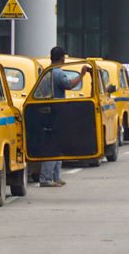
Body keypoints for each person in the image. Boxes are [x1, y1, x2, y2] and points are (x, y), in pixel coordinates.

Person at [36, 46, 89, 187]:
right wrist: (82, 74)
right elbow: (70, 85)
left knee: (58, 144)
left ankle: (55, 177)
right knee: (53, 146)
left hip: (46, 111)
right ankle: (47, 178)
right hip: (56, 112)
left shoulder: (46, 72)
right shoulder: (58, 74)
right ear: (62, 59)